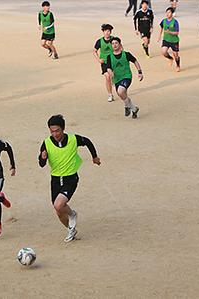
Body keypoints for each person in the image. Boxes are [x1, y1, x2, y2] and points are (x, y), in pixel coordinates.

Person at [39, 115, 101, 243]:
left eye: (57, 131)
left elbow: (87, 142)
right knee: (58, 211)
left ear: (63, 129)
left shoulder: (73, 139)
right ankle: (71, 229)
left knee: (59, 204)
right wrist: (43, 157)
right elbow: (41, 164)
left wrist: (94, 157)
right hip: (55, 179)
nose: (55, 134)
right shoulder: (46, 143)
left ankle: (72, 214)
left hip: (71, 177)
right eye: (52, 131)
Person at [106, 37, 143, 119]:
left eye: (116, 43)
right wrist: (110, 72)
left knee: (121, 90)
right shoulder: (109, 57)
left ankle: (126, 106)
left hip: (127, 76)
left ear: (120, 44)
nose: (114, 45)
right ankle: (134, 108)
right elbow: (108, 67)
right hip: (117, 78)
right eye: (112, 44)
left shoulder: (126, 54)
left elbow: (135, 61)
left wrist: (139, 72)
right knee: (122, 95)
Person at [93, 24, 115, 102]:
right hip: (104, 62)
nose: (107, 33)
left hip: (113, 61)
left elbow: (120, 48)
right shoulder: (99, 41)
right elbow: (94, 51)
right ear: (103, 32)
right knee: (107, 77)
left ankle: (113, 80)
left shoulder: (114, 40)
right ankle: (110, 94)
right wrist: (99, 59)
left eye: (109, 31)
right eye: (106, 31)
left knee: (113, 76)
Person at [158, 7, 181, 72]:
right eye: (167, 12)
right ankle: (170, 58)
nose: (167, 14)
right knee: (163, 52)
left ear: (172, 14)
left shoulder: (175, 22)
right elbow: (161, 27)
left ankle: (178, 65)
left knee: (176, 55)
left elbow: (177, 32)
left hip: (174, 41)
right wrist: (159, 36)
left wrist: (170, 32)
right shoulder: (163, 21)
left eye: (169, 12)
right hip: (166, 39)